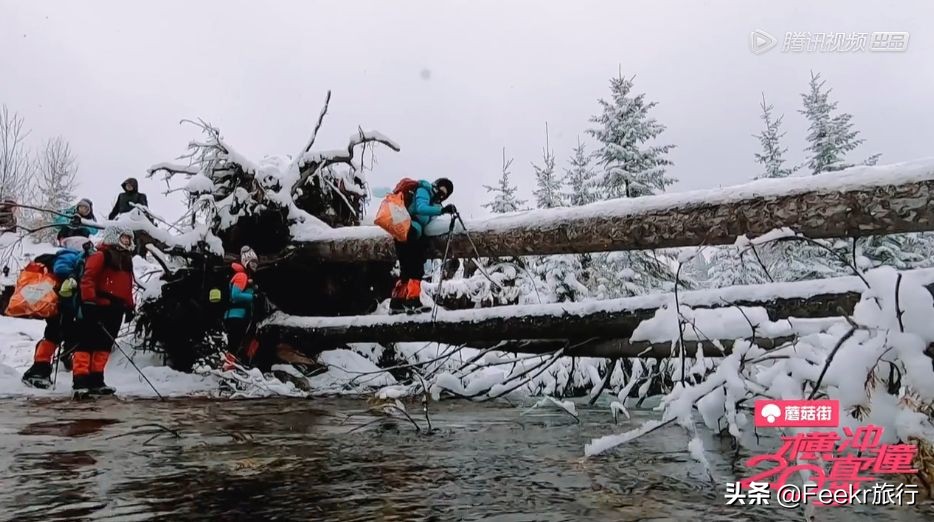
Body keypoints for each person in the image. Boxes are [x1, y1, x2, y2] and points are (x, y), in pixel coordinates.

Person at [21, 236, 94, 389]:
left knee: (55, 335)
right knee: (53, 335)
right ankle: (39, 370)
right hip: (61, 306)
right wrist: (73, 277)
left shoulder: (70, 255)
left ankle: (41, 369)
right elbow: (61, 269)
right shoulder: (69, 255)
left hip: (62, 306)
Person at [75, 224, 136, 395]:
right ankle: (80, 380)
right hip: (97, 306)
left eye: (129, 238)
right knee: (88, 342)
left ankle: (97, 379)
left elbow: (127, 286)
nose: (127, 241)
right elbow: (88, 279)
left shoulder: (126, 259)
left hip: (116, 308)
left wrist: (130, 306)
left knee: (104, 345)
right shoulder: (101, 255)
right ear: (114, 236)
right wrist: (88, 302)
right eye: (124, 237)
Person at [389, 177, 455, 313]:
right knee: (415, 267)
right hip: (408, 229)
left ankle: (397, 302)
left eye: (445, 194)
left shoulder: (435, 204)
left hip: (409, 232)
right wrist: (441, 211)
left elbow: (426, 223)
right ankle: (412, 300)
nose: (441, 195)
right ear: (436, 185)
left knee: (407, 268)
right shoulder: (424, 189)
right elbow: (420, 208)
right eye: (441, 190)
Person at [223, 246, 258, 370]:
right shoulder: (241, 276)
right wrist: (252, 296)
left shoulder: (245, 277)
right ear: (246, 262)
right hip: (235, 316)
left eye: (256, 264)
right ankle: (227, 372)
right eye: (252, 263)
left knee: (237, 345)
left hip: (238, 315)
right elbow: (235, 295)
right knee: (234, 346)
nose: (255, 266)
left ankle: (234, 369)